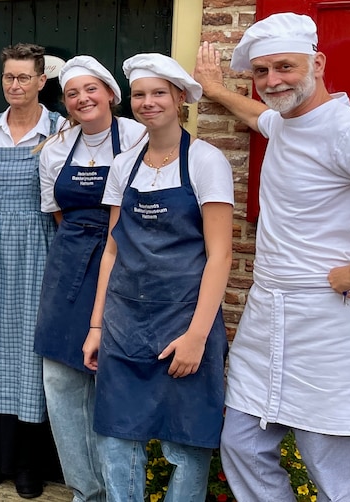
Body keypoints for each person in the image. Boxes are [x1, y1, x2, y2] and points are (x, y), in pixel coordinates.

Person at [197, 13, 350, 501]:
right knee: (242, 444)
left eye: (284, 67)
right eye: (262, 71)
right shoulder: (285, 121)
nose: (273, 81)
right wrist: (215, 88)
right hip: (268, 311)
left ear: (318, 63)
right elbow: (258, 116)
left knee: (327, 470)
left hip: (329, 319)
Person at [83, 53, 233, 502]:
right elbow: (112, 249)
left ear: (180, 98)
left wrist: (197, 337)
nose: (148, 102)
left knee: (185, 442)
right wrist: (96, 326)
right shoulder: (123, 165)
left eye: (158, 93)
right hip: (124, 322)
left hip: (184, 321)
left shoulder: (206, 161)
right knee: (116, 437)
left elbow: (220, 255)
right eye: (140, 95)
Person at [34, 55, 145, 502]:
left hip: (126, 263)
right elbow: (60, 214)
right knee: (61, 382)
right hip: (69, 264)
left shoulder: (138, 136)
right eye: (72, 93)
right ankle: (85, 490)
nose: (82, 99)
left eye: (91, 89)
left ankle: (119, 491)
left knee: (112, 380)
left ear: (112, 94)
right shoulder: (55, 149)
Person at [0, 43, 62, 496]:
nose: (14, 85)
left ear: (41, 81)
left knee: (29, 353)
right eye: (8, 77)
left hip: (39, 245)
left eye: (23, 77)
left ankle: (28, 465)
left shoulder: (58, 129)